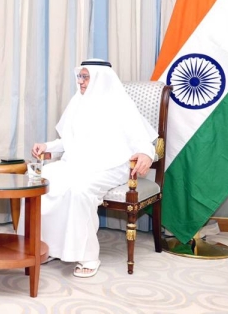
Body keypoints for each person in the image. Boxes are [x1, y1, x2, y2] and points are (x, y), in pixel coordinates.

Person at [24, 59, 157, 278]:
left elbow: (142, 141)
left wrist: (145, 153)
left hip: (112, 165)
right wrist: (47, 146)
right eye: (79, 76)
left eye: (86, 77)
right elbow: (69, 141)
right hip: (77, 162)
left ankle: (87, 256)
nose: (81, 82)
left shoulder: (119, 104)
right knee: (41, 181)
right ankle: (46, 247)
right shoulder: (78, 102)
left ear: (99, 80)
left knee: (80, 190)